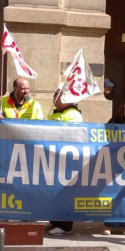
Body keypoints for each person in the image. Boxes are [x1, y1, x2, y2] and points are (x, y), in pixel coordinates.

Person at [46, 89, 82, 236]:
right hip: (55, 157)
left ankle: (65, 225)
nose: (54, 97)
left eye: (56, 95)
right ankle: (55, 220)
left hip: (67, 158)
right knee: (54, 189)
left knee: (66, 192)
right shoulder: (55, 113)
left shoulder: (73, 115)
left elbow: (70, 135)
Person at [103, 98, 125, 235]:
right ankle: (108, 224)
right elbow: (104, 131)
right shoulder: (114, 121)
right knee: (112, 193)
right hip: (115, 163)